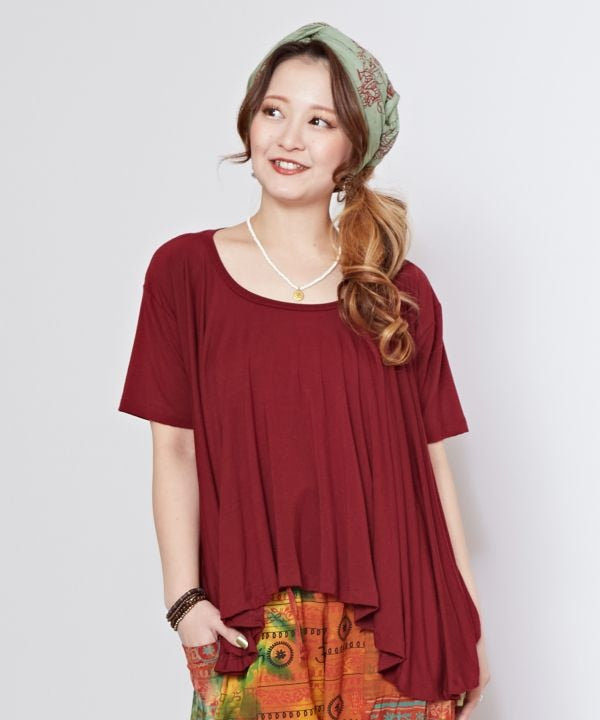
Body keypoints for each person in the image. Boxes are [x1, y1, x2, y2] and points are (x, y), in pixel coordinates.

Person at [118, 21, 491, 720]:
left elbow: (432, 465)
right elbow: (174, 450)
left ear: (353, 150)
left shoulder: (398, 293)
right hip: (254, 629)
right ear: (249, 121)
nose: (289, 138)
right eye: (274, 110)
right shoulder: (184, 273)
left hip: (400, 634)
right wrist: (185, 602)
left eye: (319, 121)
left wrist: (465, 625)